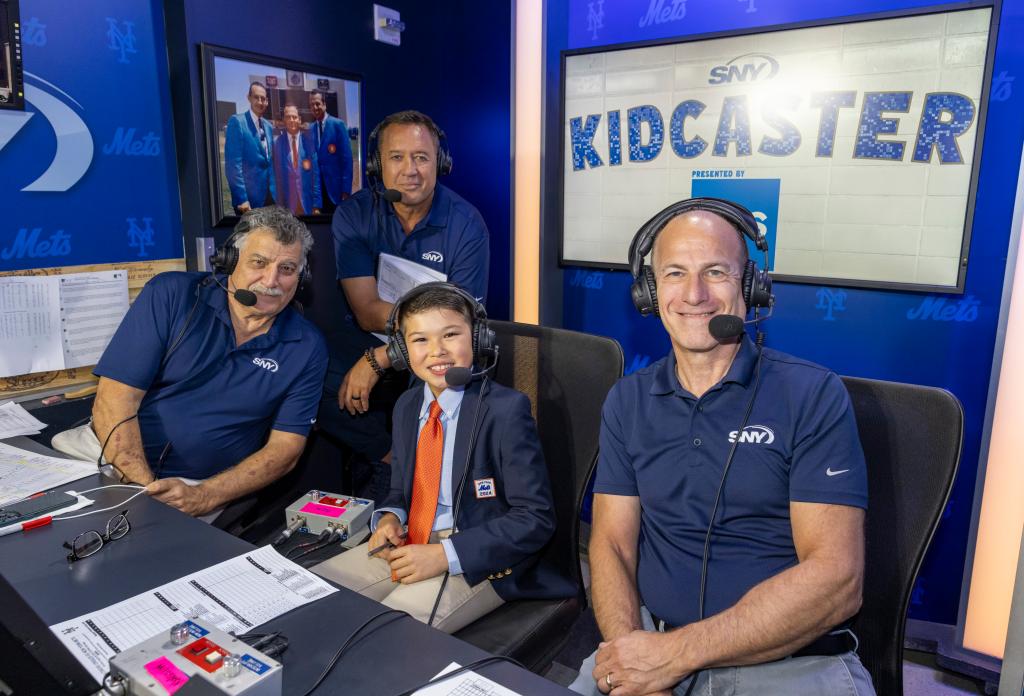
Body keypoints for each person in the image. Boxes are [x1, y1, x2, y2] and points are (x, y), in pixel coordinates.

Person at [570, 198, 874, 695]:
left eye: (715, 271)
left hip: (786, 661)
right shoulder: (626, 400)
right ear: (649, 291)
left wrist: (678, 654)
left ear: (751, 287)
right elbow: (611, 543)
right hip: (649, 643)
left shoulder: (811, 395)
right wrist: (636, 660)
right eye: (673, 273)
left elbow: (838, 578)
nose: (694, 294)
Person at [312, 283, 575, 632]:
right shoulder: (407, 406)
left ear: (478, 340)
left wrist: (444, 555)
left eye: (450, 334)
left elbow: (535, 518)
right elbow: (401, 490)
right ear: (403, 351)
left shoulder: (505, 411)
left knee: (385, 633)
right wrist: (390, 517)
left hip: (478, 557)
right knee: (311, 598)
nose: (437, 351)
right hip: (411, 539)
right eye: (420, 340)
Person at [52, 207, 328, 519]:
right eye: (259, 263)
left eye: (287, 269)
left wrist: (206, 495)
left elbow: (285, 450)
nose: (271, 280)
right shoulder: (171, 295)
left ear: (301, 278)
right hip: (107, 458)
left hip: (200, 490)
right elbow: (115, 400)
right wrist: (145, 490)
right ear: (230, 261)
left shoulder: (306, 345)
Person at [320, 110, 489, 500]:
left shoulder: (467, 224)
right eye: (397, 157)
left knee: (436, 370)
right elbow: (365, 309)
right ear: (378, 165)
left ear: (440, 164)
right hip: (371, 333)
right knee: (304, 363)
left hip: (439, 347)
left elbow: (457, 324)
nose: (410, 170)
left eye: (422, 157)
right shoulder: (354, 214)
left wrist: (382, 357)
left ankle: (420, 485)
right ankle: (389, 456)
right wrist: (400, 336)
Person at [224, 81, 276, 214]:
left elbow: (268, 162)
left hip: (269, 198)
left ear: (267, 101)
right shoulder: (238, 122)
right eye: (256, 97)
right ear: (249, 98)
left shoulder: (268, 126)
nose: (260, 102)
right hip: (249, 201)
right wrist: (242, 199)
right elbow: (233, 166)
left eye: (263, 99)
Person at [308, 89, 354, 215]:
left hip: (336, 191)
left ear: (324, 104)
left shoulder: (338, 125)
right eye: (312, 105)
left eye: (317, 103)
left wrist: (346, 191)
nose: (315, 107)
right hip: (319, 194)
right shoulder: (310, 129)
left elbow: (347, 160)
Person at [274, 104, 321, 215]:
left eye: (294, 117)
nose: (291, 120)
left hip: (307, 203)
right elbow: (277, 178)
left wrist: (316, 204)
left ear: (299, 119)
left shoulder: (309, 142)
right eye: (288, 117)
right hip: (288, 205)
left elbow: (315, 175)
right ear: (284, 120)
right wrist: (279, 206)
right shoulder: (278, 143)